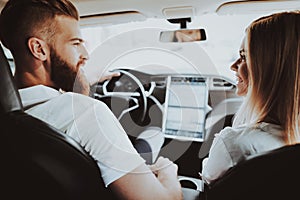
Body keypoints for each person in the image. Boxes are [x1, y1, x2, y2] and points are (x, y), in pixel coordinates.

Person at [0, 0, 182, 199]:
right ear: (39, 49)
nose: (85, 55)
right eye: (76, 43)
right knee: (153, 136)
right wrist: (167, 171)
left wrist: (79, 91)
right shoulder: (88, 113)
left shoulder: (12, 117)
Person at [201, 11, 300, 184]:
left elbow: (208, 182)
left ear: (269, 69)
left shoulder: (234, 145)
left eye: (243, 57)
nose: (233, 66)